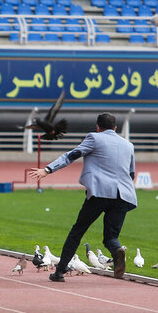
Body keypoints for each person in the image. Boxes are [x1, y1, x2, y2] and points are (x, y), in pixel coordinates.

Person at [28, 113, 137, 282]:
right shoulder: (129, 145)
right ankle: (117, 251)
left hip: (100, 193)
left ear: (98, 127)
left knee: (77, 231)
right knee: (110, 237)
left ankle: (60, 271)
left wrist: (48, 170)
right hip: (124, 195)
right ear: (115, 128)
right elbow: (131, 174)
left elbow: (72, 155)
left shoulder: (94, 138)